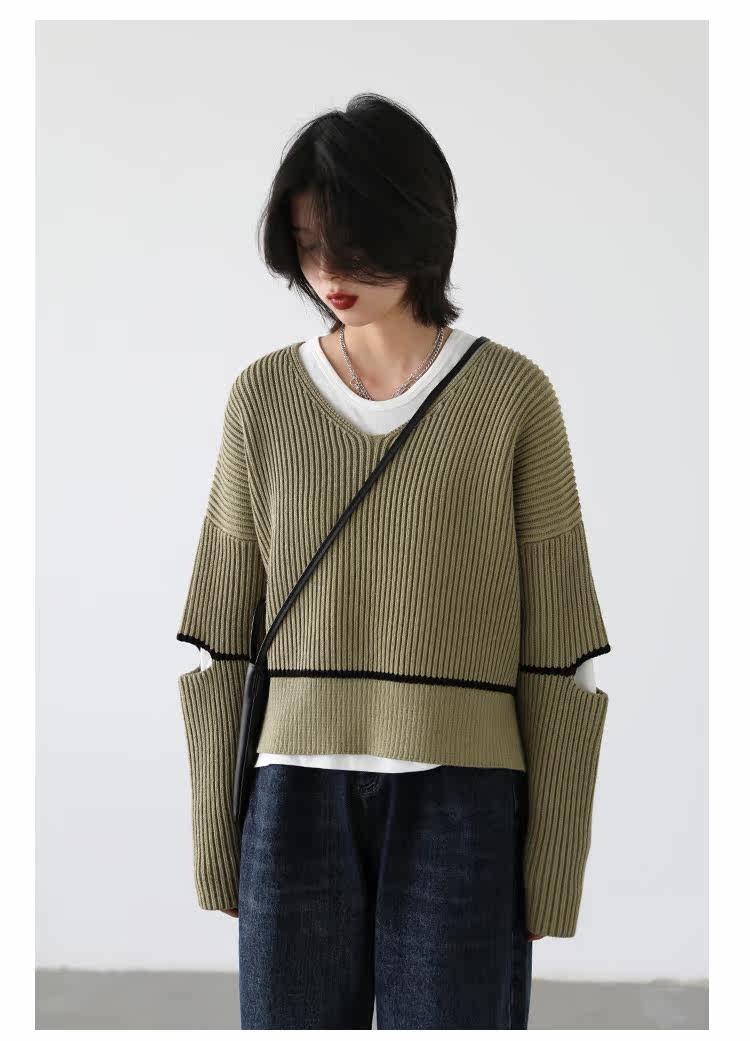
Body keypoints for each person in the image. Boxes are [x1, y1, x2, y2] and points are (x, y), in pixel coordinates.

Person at [176, 93, 611, 1030]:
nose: (327, 272)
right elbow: (220, 641)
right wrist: (217, 839)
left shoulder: (512, 399)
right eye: (307, 244)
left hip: (464, 798)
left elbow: (560, 654)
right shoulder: (262, 399)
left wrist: (554, 866)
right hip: (292, 795)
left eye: (351, 243)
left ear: (419, 227)